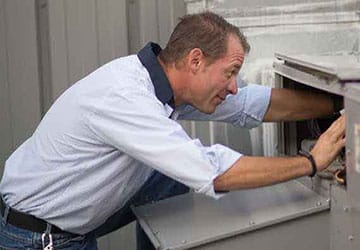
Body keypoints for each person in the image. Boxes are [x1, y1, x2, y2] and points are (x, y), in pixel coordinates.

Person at [0, 11, 345, 250]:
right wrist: (311, 162)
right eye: (230, 73)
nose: (234, 86)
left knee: (169, 177)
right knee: (184, 172)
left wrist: (340, 107)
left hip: (72, 224)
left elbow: (250, 104)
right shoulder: (126, 97)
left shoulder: (170, 88)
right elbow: (213, 172)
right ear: (195, 60)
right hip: (39, 238)